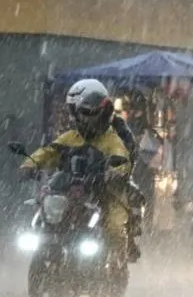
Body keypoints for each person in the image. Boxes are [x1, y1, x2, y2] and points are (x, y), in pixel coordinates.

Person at [19, 84, 131, 258]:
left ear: (102, 113)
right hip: (69, 191)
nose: (85, 118)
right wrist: (30, 165)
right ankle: (50, 243)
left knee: (115, 224)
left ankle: (115, 263)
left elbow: (121, 158)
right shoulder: (70, 137)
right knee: (46, 211)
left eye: (90, 113)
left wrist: (115, 172)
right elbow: (49, 151)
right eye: (81, 112)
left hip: (100, 193)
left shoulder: (111, 139)